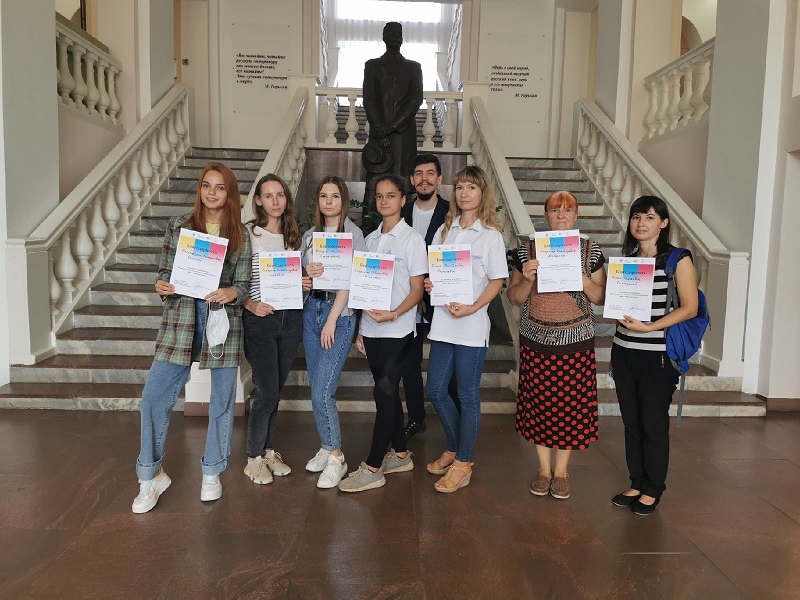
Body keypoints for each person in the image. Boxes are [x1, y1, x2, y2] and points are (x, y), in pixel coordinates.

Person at [132, 162, 251, 514]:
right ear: (200, 190)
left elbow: (244, 284)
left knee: (222, 400)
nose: (212, 192)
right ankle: (150, 476)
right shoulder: (178, 225)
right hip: (181, 318)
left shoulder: (240, 234)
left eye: (220, 187)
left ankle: (212, 471)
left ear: (230, 193)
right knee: (153, 397)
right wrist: (161, 285)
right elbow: (163, 273)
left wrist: (232, 292)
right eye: (206, 186)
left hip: (220, 321)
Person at [507, 191, 606, 501]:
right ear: (545, 215)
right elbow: (514, 297)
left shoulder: (590, 251)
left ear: (576, 215)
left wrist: (583, 278)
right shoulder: (526, 250)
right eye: (554, 210)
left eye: (567, 210)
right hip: (536, 338)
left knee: (570, 407)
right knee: (538, 404)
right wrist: (527, 278)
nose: (561, 215)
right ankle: (543, 469)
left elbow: (600, 297)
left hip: (575, 340)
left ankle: (561, 472)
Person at [339, 175, 427, 493]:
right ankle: (401, 455)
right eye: (379, 196)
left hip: (398, 329)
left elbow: (417, 291)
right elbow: (363, 287)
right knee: (385, 394)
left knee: (385, 393)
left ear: (403, 200)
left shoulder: (412, 240)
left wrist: (393, 314)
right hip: (372, 329)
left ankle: (374, 466)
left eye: (391, 195)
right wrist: (361, 329)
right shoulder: (371, 239)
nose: (384, 201)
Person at [611, 195, 698, 516]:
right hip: (624, 352)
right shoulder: (628, 260)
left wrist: (649, 327)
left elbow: (689, 308)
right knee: (631, 422)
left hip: (657, 357)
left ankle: (653, 488)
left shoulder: (677, 259)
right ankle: (636, 482)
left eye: (649, 217)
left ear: (663, 223)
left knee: (653, 423)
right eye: (636, 217)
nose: (641, 223)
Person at [424, 165, 509, 493]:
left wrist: (473, 307)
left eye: (471, 187)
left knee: (467, 394)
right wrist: (432, 284)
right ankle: (455, 446)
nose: (464, 193)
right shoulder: (445, 230)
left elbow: (497, 282)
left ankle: (463, 461)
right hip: (443, 323)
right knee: (435, 389)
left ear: (482, 193)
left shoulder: (490, 235)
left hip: (472, 325)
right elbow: (434, 273)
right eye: (459, 187)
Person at [242, 174, 308, 485]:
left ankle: (268, 451)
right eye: (268, 196)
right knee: (266, 392)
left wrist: (305, 283)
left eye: (280, 195)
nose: (275, 201)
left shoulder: (294, 237)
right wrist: (249, 304)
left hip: (290, 319)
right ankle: (253, 458)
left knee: (275, 391)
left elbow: (296, 282)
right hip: (261, 321)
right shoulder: (248, 234)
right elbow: (232, 277)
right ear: (258, 201)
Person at [301, 176, 367, 489]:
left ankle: (337, 457)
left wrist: (332, 319)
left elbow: (352, 281)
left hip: (338, 316)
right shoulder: (309, 236)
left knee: (322, 391)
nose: (329, 201)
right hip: (310, 311)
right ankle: (326, 446)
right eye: (324, 196)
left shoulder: (354, 235)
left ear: (344, 200)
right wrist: (305, 275)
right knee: (317, 385)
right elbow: (302, 279)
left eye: (335, 196)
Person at [400, 153, 457, 441]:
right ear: (412, 180)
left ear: (439, 179)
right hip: (407, 300)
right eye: (419, 174)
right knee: (409, 364)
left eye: (430, 173)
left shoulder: (452, 212)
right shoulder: (400, 212)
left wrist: (426, 290)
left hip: (442, 300)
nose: (424, 179)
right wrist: (416, 292)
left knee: (450, 367)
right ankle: (416, 418)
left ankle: (455, 425)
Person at [362, 21, 423, 214]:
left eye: (399, 34)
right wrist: (380, 129)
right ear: (384, 37)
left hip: (404, 136)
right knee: (374, 183)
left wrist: (392, 127)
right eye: (392, 33)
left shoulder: (414, 68)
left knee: (403, 183)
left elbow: (415, 100)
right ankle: (370, 223)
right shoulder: (372, 66)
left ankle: (405, 222)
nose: (396, 37)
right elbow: (369, 99)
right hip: (379, 135)